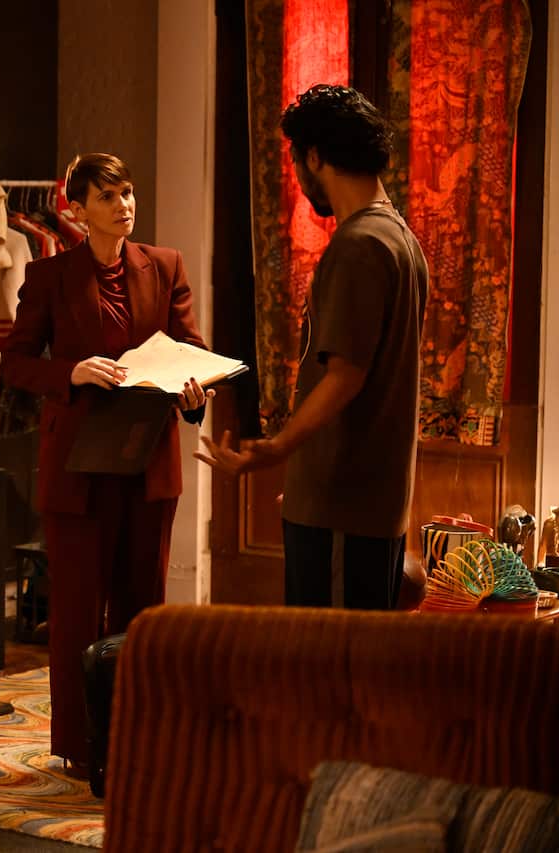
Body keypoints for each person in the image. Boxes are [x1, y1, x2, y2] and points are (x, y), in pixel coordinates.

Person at [1, 152, 211, 773]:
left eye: (128, 195)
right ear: (77, 208)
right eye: (109, 197)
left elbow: (190, 351)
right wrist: (71, 369)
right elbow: (15, 364)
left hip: (148, 461)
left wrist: (193, 391)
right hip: (77, 468)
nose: (124, 206)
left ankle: (141, 740)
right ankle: (82, 747)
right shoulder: (49, 278)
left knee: (141, 609)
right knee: (76, 613)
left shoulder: (165, 266)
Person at [195, 84, 429, 610]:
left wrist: (280, 449)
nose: (298, 177)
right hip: (354, 499)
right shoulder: (401, 239)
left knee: (327, 667)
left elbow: (346, 374)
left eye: (297, 160)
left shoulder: (360, 244)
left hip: (343, 505)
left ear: (315, 156)